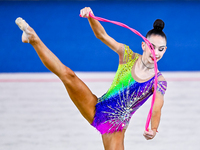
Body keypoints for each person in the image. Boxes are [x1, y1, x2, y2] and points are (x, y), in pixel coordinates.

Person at [15, 7, 167, 150]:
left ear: (165, 50)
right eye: (152, 47)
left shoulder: (158, 81)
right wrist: (91, 17)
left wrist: (153, 129)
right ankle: (33, 38)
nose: (156, 53)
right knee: (68, 75)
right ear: (144, 45)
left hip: (114, 128)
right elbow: (102, 35)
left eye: (161, 49)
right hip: (96, 107)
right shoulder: (127, 55)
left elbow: (156, 107)